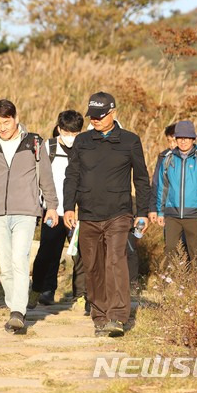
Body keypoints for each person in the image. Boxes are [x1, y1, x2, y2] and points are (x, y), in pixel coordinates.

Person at [63, 92, 150, 338]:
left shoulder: (130, 141)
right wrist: (69, 207)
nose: (96, 121)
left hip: (119, 213)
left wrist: (142, 212)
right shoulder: (82, 141)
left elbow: (142, 179)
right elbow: (72, 176)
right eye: (93, 116)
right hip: (88, 214)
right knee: (93, 267)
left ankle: (118, 317)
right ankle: (100, 316)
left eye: (101, 116)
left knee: (115, 262)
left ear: (113, 113)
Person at [0, 99, 59, 333]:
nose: (2, 127)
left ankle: (17, 311)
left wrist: (51, 205)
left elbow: (45, 177)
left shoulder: (34, 143)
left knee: (19, 259)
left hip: (26, 211)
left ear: (16, 118)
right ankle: (15, 307)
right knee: (5, 264)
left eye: (6, 122)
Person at [29, 110, 88, 314]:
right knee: (48, 252)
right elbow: (39, 178)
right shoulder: (49, 147)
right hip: (53, 210)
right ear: (60, 129)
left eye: (76, 132)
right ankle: (41, 289)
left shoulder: (87, 146)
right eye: (68, 132)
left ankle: (80, 295)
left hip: (79, 212)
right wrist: (43, 207)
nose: (71, 137)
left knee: (81, 255)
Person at [156, 120, 197, 270]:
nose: (183, 141)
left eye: (187, 138)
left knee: (195, 252)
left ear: (193, 139)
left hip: (195, 214)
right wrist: (160, 211)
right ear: (175, 139)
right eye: (180, 138)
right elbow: (162, 187)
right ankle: (167, 287)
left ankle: (196, 287)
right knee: (169, 250)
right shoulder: (168, 159)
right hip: (172, 215)